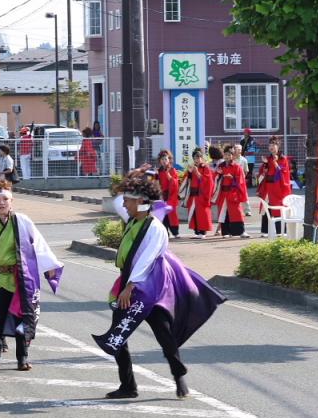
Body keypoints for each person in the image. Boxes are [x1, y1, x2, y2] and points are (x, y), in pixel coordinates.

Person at [94, 166, 226, 400]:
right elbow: (116, 202)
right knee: (118, 334)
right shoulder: (132, 219)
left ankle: (178, 376)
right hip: (129, 283)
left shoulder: (155, 227)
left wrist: (130, 287)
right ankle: (128, 385)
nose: (124, 205)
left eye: (128, 201)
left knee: (163, 334)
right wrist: (131, 176)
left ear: (141, 202)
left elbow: (146, 259)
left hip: (149, 289)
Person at [0, 178, 63, 371]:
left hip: (19, 279)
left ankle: (22, 358)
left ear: (12, 201)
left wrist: (50, 265)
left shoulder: (22, 221)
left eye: (5, 199)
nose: (2, 203)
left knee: (22, 318)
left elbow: (38, 244)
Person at [257, 138, 292, 236]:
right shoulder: (267, 159)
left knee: (278, 208)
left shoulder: (283, 158)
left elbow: (283, 173)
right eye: (270, 145)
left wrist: (275, 162)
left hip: (278, 187)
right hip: (268, 186)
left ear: (278, 146)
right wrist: (264, 164)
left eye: (274, 145)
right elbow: (263, 173)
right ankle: (265, 231)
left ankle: (281, 231)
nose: (271, 147)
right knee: (266, 207)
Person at [216, 145, 249, 238]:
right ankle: (226, 232)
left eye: (229, 155)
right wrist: (218, 175)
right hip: (223, 193)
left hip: (233, 191)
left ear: (233, 156)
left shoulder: (237, 167)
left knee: (237, 212)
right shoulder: (220, 166)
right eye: (225, 155)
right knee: (223, 213)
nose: (227, 157)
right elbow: (215, 178)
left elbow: (241, 180)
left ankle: (241, 231)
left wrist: (233, 178)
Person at [185, 148, 214, 238]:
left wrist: (197, 173)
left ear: (202, 158)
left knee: (202, 214)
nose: (197, 160)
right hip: (193, 195)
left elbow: (208, 181)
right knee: (194, 213)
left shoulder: (205, 168)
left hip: (201, 194)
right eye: (195, 158)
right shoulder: (193, 167)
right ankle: (197, 231)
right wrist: (189, 173)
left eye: (198, 158)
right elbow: (188, 180)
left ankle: (202, 232)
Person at [153, 150, 180, 238]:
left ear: (169, 160)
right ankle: (165, 233)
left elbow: (175, 183)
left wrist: (168, 175)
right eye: (162, 159)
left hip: (171, 195)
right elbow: (156, 184)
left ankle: (175, 232)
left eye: (166, 159)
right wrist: (156, 176)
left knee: (172, 214)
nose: (164, 161)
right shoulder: (159, 171)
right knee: (163, 215)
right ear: (160, 161)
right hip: (162, 195)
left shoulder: (172, 170)